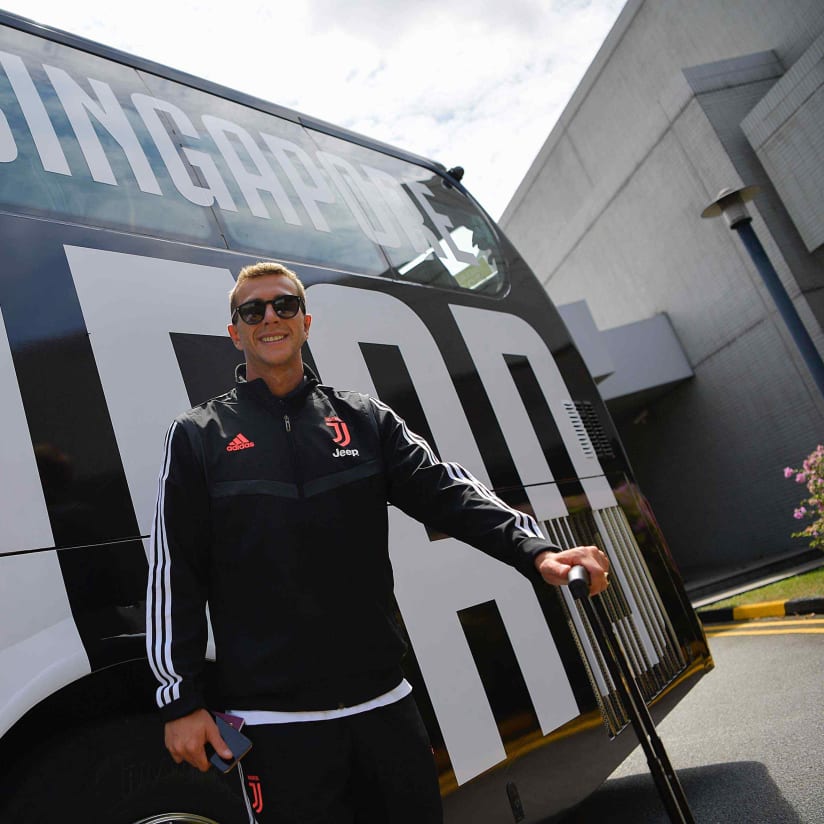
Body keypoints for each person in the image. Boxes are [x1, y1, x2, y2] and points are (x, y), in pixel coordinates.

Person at [146, 261, 610, 823]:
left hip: (384, 705)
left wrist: (537, 549)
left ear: (305, 321)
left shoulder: (363, 418)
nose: (270, 317)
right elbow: (175, 572)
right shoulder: (198, 435)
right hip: (274, 724)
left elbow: (448, 490)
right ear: (235, 332)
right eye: (252, 310)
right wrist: (182, 699)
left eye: (284, 305)